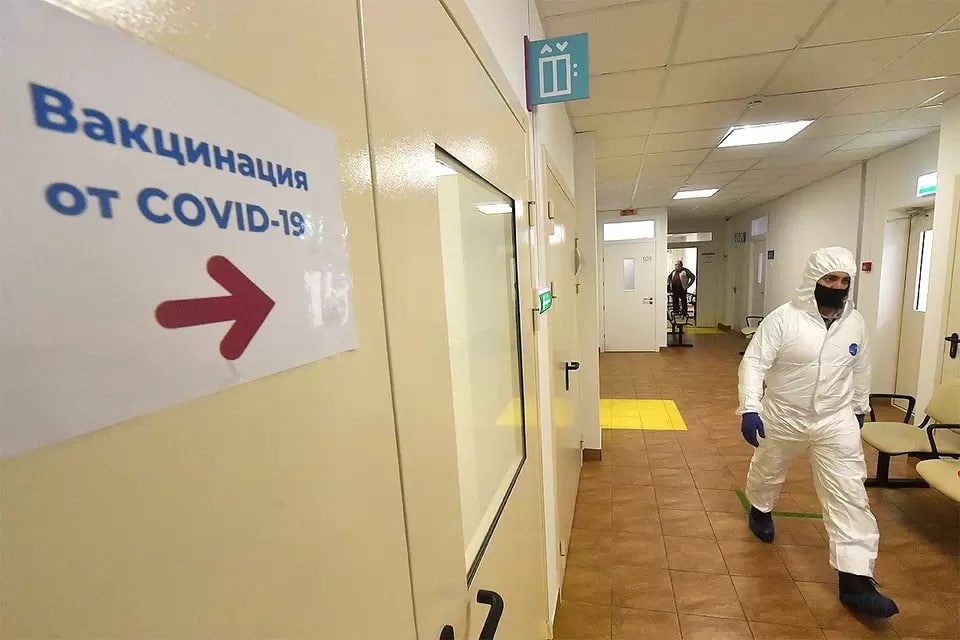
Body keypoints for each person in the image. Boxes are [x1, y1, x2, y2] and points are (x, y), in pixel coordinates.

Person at [737, 247, 898, 619]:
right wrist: (750, 407)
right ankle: (760, 509)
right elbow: (754, 363)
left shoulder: (854, 322)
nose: (837, 287)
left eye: (844, 280)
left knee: (849, 493)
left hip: (835, 419)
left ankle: (855, 581)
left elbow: (861, 367)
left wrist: (858, 407)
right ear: (813, 280)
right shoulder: (783, 320)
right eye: (830, 279)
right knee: (768, 468)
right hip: (784, 414)